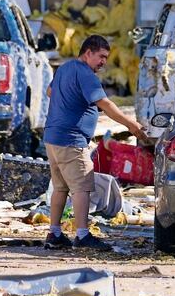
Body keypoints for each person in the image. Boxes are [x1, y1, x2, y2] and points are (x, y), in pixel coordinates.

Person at [42, 34, 149, 251]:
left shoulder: (65, 67)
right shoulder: (85, 74)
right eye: (101, 56)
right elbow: (106, 104)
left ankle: (54, 234)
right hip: (71, 140)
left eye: (106, 58)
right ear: (88, 52)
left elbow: (50, 91)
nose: (103, 62)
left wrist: (69, 102)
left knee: (60, 188)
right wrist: (132, 126)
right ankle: (82, 235)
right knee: (82, 188)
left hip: (52, 138)